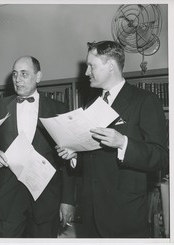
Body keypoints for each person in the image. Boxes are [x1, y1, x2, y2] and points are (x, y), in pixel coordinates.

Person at [57, 40, 169, 238]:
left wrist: (123, 143)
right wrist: (75, 155)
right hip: (90, 215)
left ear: (110, 66)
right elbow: (92, 158)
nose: (86, 72)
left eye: (91, 66)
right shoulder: (91, 103)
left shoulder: (145, 100)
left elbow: (161, 157)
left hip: (125, 216)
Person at [0, 56, 76, 238]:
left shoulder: (58, 108)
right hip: (8, 199)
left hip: (46, 200)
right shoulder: (0, 106)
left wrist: (67, 200)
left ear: (38, 76)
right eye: (14, 74)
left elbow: (68, 159)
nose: (17, 80)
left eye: (24, 74)